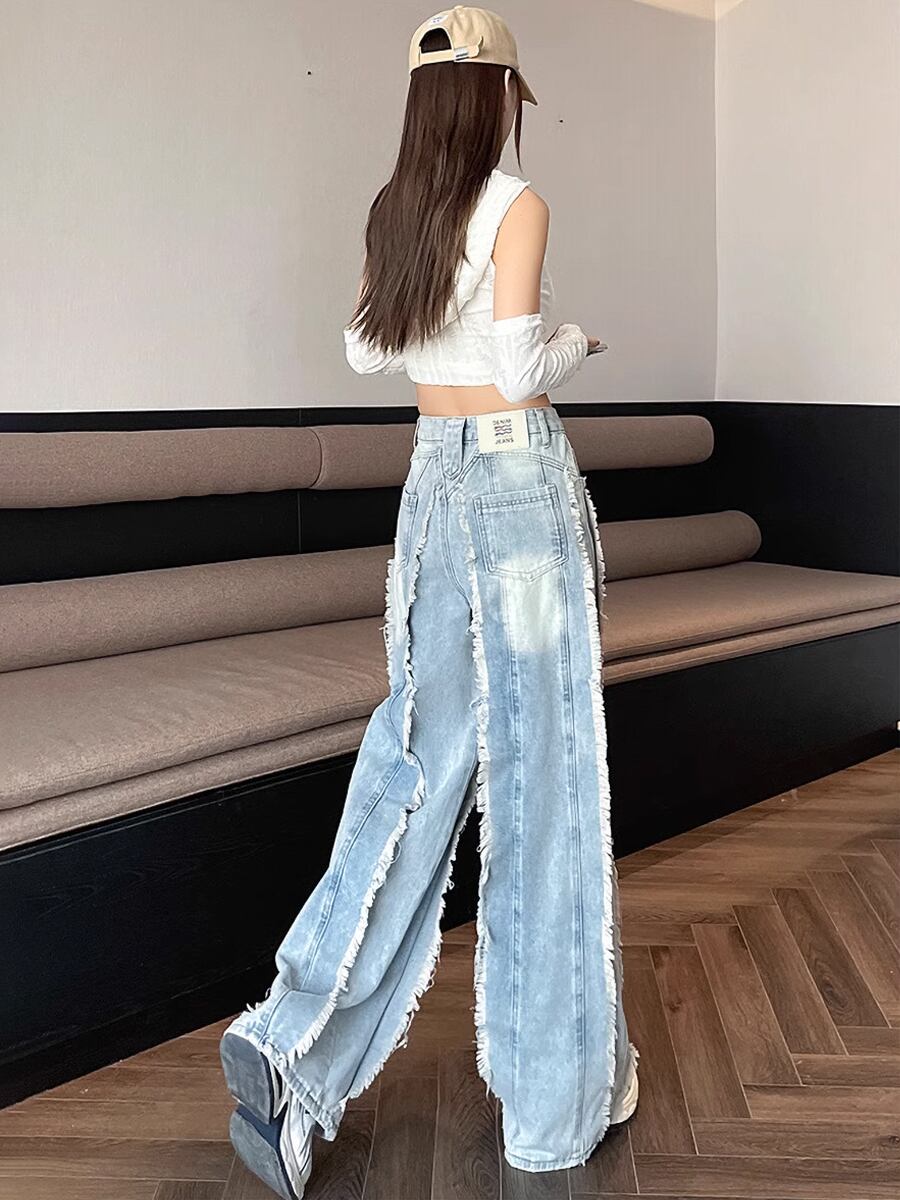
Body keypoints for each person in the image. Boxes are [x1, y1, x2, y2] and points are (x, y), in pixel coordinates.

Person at [219, 7, 639, 1196]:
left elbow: (366, 351)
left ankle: (292, 1042)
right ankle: (553, 1109)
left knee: (414, 755)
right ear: (500, 95)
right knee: (546, 782)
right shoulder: (516, 204)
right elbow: (518, 366)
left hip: (431, 493)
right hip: (518, 492)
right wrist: (580, 341)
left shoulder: (394, 208)